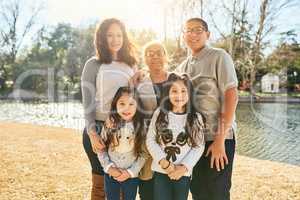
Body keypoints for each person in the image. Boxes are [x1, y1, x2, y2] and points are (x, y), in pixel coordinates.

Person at [176, 18, 239, 200]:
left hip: (218, 138)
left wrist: (219, 141)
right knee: (198, 191)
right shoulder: (183, 67)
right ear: (183, 36)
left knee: (217, 192)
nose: (193, 34)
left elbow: (231, 96)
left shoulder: (219, 56)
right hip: (195, 141)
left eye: (198, 30)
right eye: (188, 30)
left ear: (208, 34)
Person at [81, 18, 138, 200]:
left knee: (122, 183)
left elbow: (134, 98)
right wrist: (92, 133)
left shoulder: (131, 64)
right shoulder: (93, 64)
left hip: (125, 130)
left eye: (119, 35)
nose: (115, 39)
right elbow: (88, 102)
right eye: (110, 35)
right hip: (98, 127)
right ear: (102, 38)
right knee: (100, 185)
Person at [146, 73, 205, 200]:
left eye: (184, 91)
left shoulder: (195, 117)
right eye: (174, 91)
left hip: (182, 173)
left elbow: (198, 147)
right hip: (162, 170)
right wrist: (165, 163)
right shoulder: (160, 113)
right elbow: (150, 140)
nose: (179, 95)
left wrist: (183, 168)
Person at [135, 41, 170, 200]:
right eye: (150, 53)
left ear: (165, 56)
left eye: (158, 52)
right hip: (146, 140)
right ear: (145, 59)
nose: (155, 56)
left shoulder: (175, 79)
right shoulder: (140, 82)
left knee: (168, 185)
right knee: (147, 187)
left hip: (171, 142)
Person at [98, 86, 146, 200]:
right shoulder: (110, 124)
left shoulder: (140, 126)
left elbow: (143, 154)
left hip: (131, 175)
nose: (126, 108)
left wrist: (131, 172)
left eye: (131, 104)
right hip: (111, 173)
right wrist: (109, 167)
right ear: (115, 105)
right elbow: (101, 148)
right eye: (122, 104)